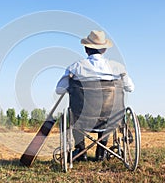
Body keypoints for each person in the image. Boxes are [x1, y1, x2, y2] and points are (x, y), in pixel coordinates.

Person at [55, 30, 134, 161]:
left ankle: (81, 150)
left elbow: (59, 90)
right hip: (111, 118)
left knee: (73, 114)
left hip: (82, 118)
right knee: (109, 113)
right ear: (104, 50)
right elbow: (130, 88)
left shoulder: (75, 68)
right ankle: (101, 152)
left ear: (86, 49)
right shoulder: (118, 68)